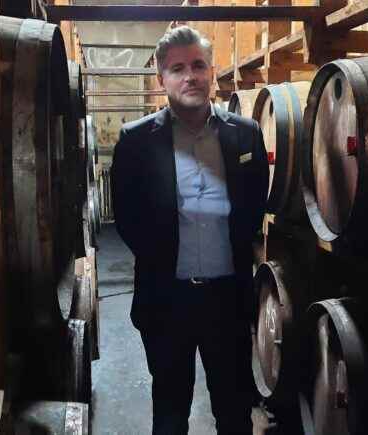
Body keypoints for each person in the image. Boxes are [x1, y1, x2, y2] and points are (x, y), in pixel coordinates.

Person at [111, 25, 269, 435]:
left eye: (198, 65)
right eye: (177, 68)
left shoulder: (245, 133)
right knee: (169, 412)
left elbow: (253, 206)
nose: (190, 76)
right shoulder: (136, 141)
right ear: (161, 78)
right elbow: (128, 219)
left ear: (212, 71)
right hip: (167, 301)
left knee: (233, 412)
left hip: (227, 300)